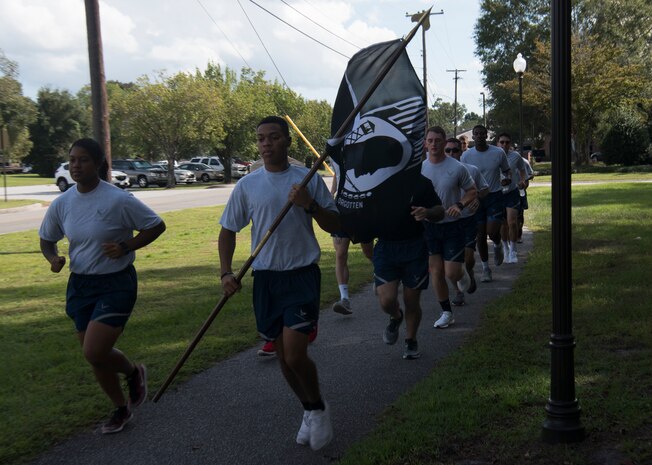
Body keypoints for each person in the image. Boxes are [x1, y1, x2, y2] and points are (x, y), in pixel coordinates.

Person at [219, 116, 340, 451]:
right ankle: (309, 409)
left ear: (288, 141)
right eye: (260, 139)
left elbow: (333, 224)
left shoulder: (307, 179)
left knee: (297, 354)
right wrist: (226, 272)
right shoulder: (248, 185)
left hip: (301, 275)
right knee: (284, 359)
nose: (266, 144)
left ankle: (317, 407)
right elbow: (228, 230)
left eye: (273, 137)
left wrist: (310, 205)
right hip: (266, 278)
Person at [39, 138, 166, 434]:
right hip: (80, 283)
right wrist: (53, 257)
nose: (75, 165)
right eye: (72, 160)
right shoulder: (63, 203)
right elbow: (47, 238)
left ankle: (133, 374)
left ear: (97, 163)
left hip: (116, 282)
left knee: (94, 351)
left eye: (83, 160)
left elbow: (155, 225)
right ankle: (121, 406)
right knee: (95, 355)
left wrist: (126, 246)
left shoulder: (117, 199)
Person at [373, 173, 444, 359]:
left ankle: (410, 340)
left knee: (411, 300)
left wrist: (427, 212)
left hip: (414, 246)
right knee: (386, 300)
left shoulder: (421, 182)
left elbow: (440, 210)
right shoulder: (377, 180)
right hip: (386, 247)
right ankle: (396, 316)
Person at [421, 128, 477, 328]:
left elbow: (472, 191)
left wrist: (459, 205)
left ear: (445, 143)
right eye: (430, 140)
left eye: (438, 140)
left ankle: (462, 276)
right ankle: (446, 312)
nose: (434, 144)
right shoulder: (420, 168)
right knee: (436, 271)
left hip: (453, 225)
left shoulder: (457, 167)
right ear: (425, 144)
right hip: (429, 227)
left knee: (451, 273)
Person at [460, 125, 511, 283]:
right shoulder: (466, 156)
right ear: (473, 137)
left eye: (483, 133)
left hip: (494, 195)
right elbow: (463, 178)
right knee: (480, 235)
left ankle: (497, 244)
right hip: (476, 198)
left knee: (492, 231)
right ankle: (485, 269)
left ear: (487, 135)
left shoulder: (498, 152)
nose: (480, 136)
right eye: (477, 134)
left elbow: (507, 170)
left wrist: (506, 179)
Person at [446, 137, 489, 307]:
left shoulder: (472, 169)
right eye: (447, 150)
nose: (451, 154)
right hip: (448, 222)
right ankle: (458, 292)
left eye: (455, 150)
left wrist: (477, 197)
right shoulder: (437, 170)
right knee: (452, 262)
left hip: (468, 219)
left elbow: (485, 189)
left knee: (468, 258)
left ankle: (469, 272)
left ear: (461, 151)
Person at [330, 164, 373, 315]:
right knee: (340, 253)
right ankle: (345, 299)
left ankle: (382, 271)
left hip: (361, 208)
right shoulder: (335, 150)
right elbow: (337, 173)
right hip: (341, 210)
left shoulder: (359, 146)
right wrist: (332, 192)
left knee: (368, 251)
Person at [495, 133, 527, 264]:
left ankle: (513, 250)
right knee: (503, 225)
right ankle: (506, 248)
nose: (504, 145)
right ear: (497, 143)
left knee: (512, 222)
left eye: (507, 142)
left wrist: (523, 181)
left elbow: (522, 170)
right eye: (502, 142)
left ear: (510, 143)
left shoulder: (516, 156)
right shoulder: (493, 155)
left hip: (512, 193)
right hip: (497, 194)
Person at [517, 155, 534, 243]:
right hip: (505, 192)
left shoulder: (523, 161)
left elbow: (530, 174)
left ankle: (519, 235)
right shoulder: (500, 159)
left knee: (520, 214)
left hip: (520, 192)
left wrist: (523, 184)